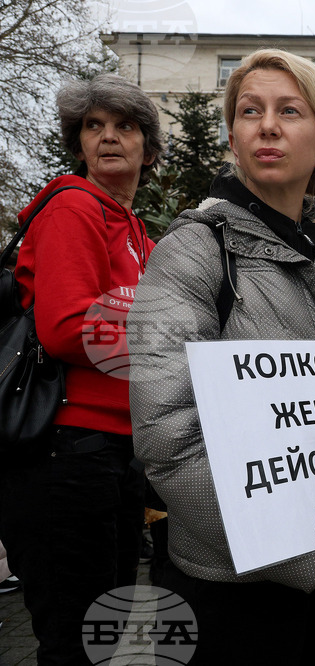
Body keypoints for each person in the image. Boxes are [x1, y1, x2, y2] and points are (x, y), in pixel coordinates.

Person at [127, 49, 315, 665]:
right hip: (236, 587)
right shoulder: (190, 253)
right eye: (250, 111)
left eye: (289, 110)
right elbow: (167, 439)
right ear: (233, 138)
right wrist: (299, 548)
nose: (267, 125)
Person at [0, 73, 161, 665]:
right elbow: (68, 329)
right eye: (93, 126)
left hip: (112, 452)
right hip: (63, 452)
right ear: (78, 142)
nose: (109, 137)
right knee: (76, 642)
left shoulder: (136, 231)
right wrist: (171, 346)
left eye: (125, 125)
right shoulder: (73, 207)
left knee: (105, 635)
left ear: (149, 146)